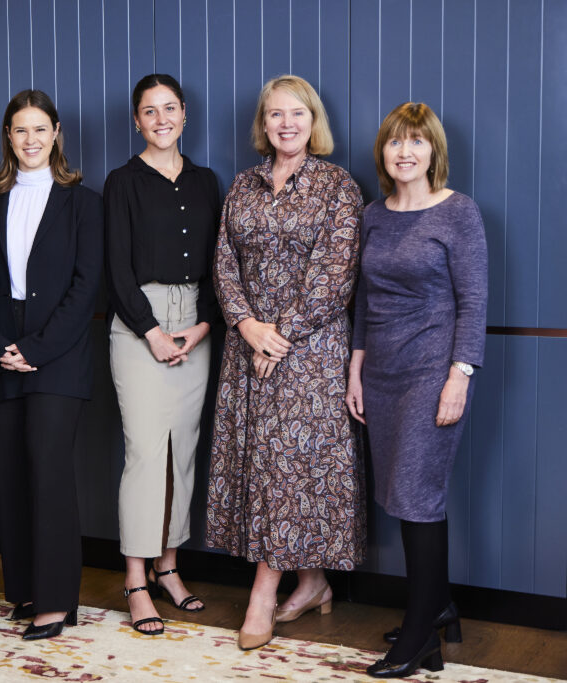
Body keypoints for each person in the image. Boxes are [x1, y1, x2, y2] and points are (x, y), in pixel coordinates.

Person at [206, 74, 366, 650]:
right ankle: (314, 583)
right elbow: (223, 262)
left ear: (313, 120)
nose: (286, 123)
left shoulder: (337, 186)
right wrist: (248, 326)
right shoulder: (242, 186)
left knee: (289, 472)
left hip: (309, 353)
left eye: (296, 113)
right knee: (262, 468)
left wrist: (280, 336)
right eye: (275, 114)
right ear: (263, 124)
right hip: (247, 348)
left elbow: (336, 276)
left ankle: (262, 596)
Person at [347, 102, 487, 678]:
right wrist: (355, 369)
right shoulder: (374, 215)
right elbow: (363, 300)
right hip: (379, 371)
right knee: (415, 496)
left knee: (414, 496)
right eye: (395, 143)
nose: (405, 152)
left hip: (433, 372)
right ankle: (441, 605)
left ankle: (419, 634)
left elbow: (474, 302)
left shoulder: (459, 213)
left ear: (434, 152)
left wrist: (460, 374)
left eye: (417, 143)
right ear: (383, 153)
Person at [0, 90, 103, 641]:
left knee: (49, 473)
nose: (30, 140)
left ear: (56, 133)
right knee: (9, 473)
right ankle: (26, 589)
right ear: (9, 137)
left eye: (39, 129)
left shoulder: (84, 202)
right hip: (1, 353)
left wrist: (36, 348)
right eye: (19, 130)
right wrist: (3, 345)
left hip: (59, 358)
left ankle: (57, 601)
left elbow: (86, 290)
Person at [104, 74, 220, 635]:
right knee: (147, 454)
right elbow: (117, 269)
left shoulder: (206, 181)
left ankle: (169, 567)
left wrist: (200, 328)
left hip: (195, 319)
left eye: (169, 108)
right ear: (137, 121)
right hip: (138, 325)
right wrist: (151, 332)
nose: (160, 119)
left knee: (184, 453)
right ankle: (134, 579)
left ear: (183, 114)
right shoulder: (122, 182)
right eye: (149, 111)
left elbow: (221, 263)